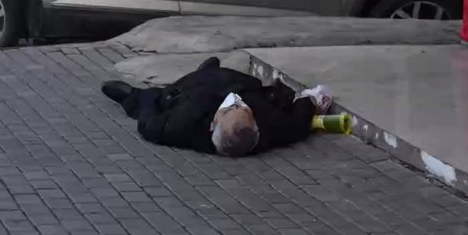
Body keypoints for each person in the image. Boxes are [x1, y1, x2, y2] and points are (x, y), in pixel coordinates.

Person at [102, 57, 332, 157]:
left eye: (234, 108)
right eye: (239, 107)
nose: (235, 103)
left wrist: (135, 99)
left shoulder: (182, 125)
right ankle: (206, 72)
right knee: (211, 77)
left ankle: (128, 94)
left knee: (153, 99)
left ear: (213, 125)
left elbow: (148, 123)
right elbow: (299, 121)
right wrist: (311, 100)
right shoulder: (272, 127)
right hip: (226, 81)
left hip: (190, 93)